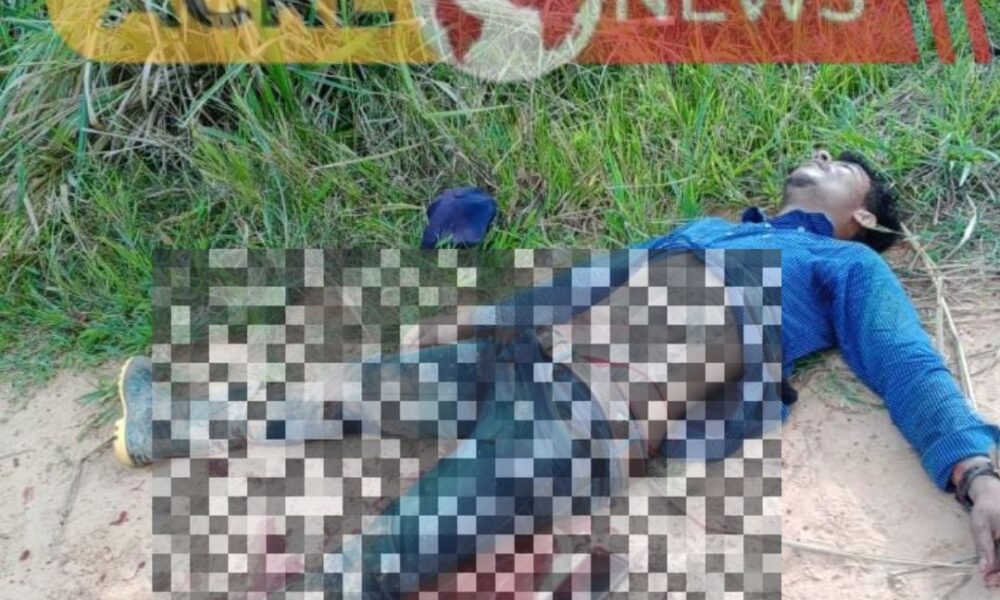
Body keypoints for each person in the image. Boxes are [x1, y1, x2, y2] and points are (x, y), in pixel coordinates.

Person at [114, 149, 1000, 594]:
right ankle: (166, 423)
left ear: (863, 220)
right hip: (518, 359)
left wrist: (976, 471)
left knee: (383, 556)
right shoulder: (708, 230)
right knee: (344, 393)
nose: (821, 157)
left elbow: (905, 360)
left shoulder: (844, 267)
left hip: (587, 418)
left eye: (844, 167)